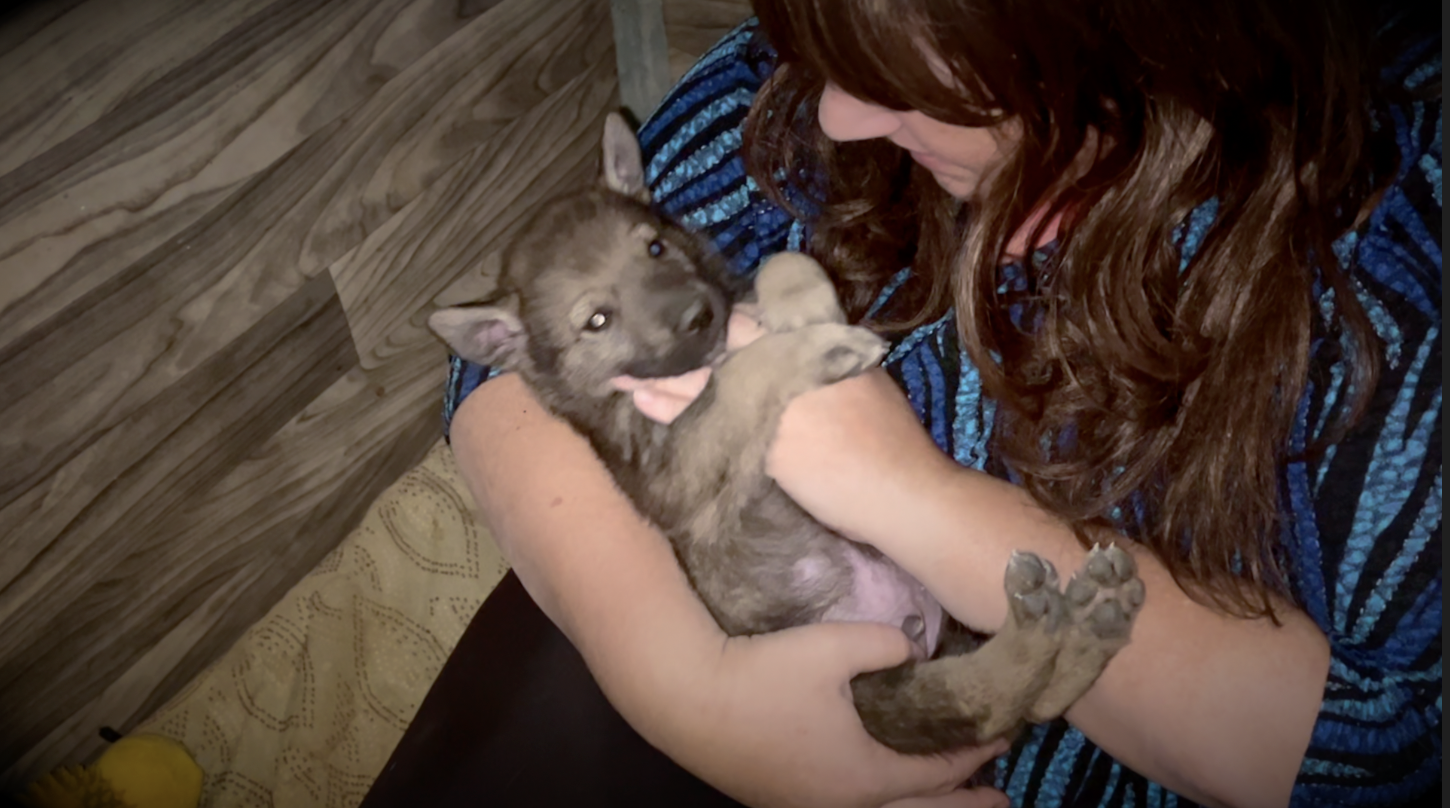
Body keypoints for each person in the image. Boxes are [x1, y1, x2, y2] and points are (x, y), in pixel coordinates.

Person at [442, 1, 1441, 806]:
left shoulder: (1395, 274)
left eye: (907, 73)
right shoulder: (812, 88)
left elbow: (1376, 752)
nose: (835, 114)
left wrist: (905, 493)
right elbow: (501, 359)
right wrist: (682, 685)